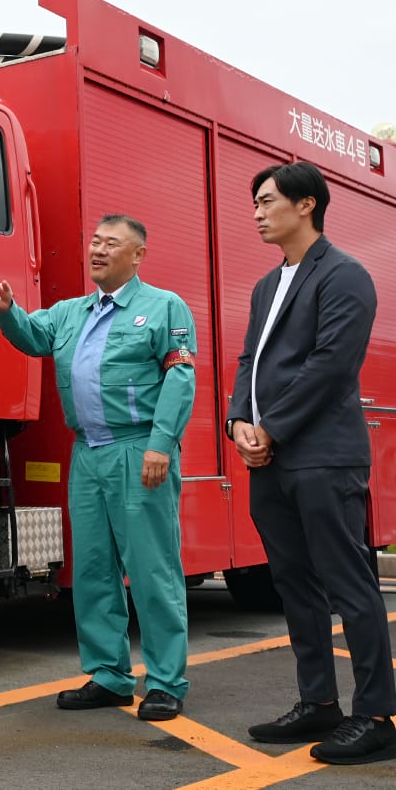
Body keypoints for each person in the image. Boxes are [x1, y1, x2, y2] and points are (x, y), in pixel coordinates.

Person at [0, 214, 196, 722]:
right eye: (95, 241)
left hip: (138, 447)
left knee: (152, 569)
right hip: (90, 454)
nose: (98, 250)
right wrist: (9, 310)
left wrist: (161, 444)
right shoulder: (70, 312)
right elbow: (34, 338)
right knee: (95, 570)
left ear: (138, 254)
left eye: (111, 243)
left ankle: (166, 682)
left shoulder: (164, 307)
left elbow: (181, 378)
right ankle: (109, 675)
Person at [227, 161, 396, 765]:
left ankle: (376, 715)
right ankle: (318, 704)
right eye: (255, 202)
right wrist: (238, 422)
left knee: (350, 587)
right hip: (269, 462)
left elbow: (330, 365)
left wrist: (270, 427)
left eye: (267, 200)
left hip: (323, 457)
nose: (256, 212)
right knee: (294, 584)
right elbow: (249, 360)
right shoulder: (267, 286)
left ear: (307, 205)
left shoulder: (346, 275)